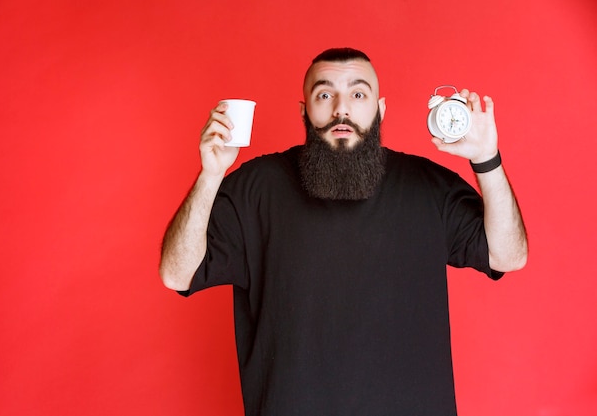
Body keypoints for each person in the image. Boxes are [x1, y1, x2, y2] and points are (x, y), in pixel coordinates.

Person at [159, 48, 528, 416]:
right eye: (324, 94)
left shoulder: (428, 186)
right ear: (304, 111)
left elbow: (508, 255)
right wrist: (211, 174)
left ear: (380, 109)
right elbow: (178, 273)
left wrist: (486, 159)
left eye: (357, 94)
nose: (341, 109)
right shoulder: (256, 186)